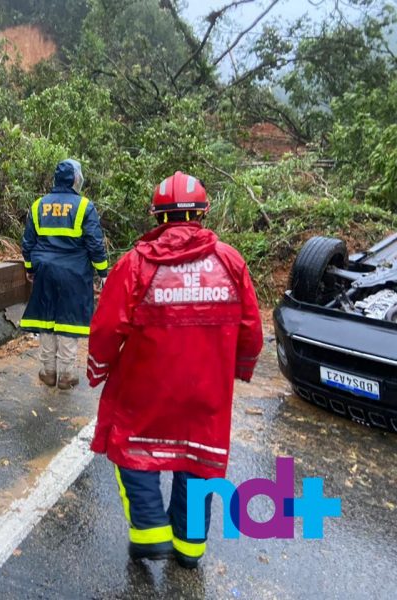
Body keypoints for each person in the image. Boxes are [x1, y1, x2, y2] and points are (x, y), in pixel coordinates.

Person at [87, 172, 263, 569]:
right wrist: (239, 369)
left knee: (130, 446)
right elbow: (252, 329)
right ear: (202, 212)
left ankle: (149, 531)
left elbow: (105, 329)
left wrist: (98, 369)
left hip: (144, 390)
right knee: (198, 462)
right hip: (207, 394)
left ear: (157, 215)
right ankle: (189, 549)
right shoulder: (230, 262)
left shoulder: (134, 266)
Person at [20, 159, 109, 390]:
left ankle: (48, 372)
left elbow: (28, 243)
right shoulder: (84, 207)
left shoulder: (38, 205)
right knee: (68, 321)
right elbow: (95, 244)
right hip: (74, 273)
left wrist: (30, 268)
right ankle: (67, 374)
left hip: (45, 273)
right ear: (75, 179)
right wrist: (103, 272)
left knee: (46, 319)